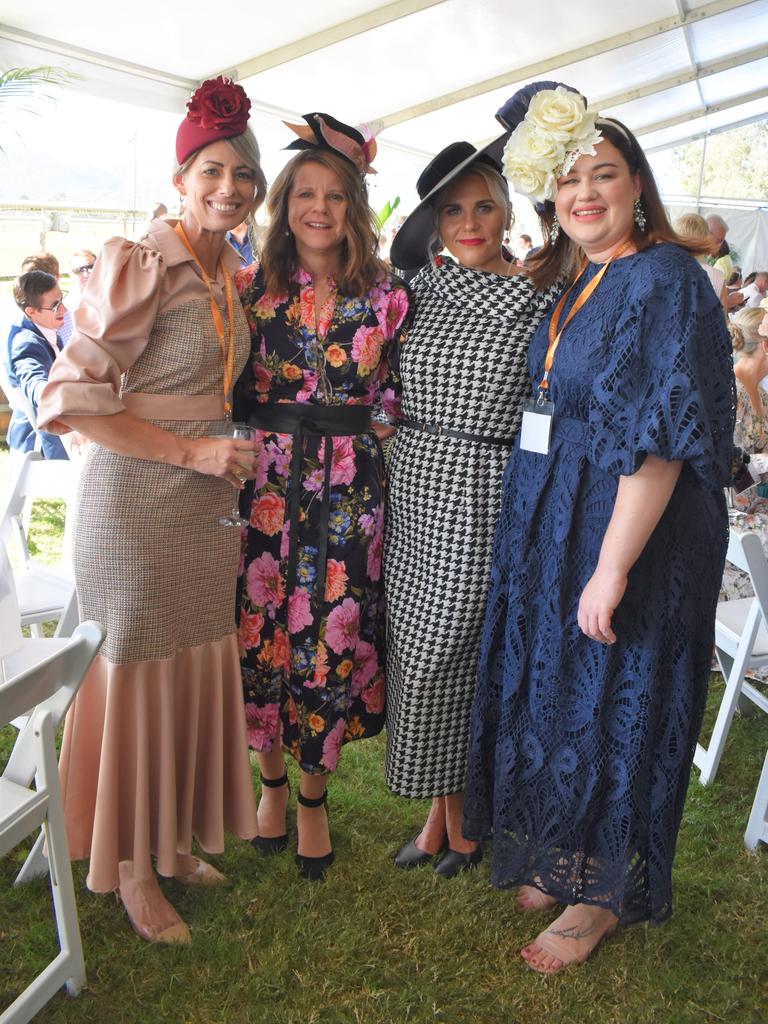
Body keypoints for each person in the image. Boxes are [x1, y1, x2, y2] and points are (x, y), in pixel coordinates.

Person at [463, 84, 734, 972]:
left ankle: (600, 896)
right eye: (569, 179)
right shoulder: (589, 271)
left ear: (638, 186)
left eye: (604, 176)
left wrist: (611, 567)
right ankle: (564, 852)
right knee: (564, 692)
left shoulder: (661, 276)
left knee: (620, 698)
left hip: (632, 528)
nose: (585, 193)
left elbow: (659, 441)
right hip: (566, 515)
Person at [37, 76, 268, 944]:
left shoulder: (228, 268)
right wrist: (191, 451)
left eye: (243, 175)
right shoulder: (139, 262)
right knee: (136, 670)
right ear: (180, 178)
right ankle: (129, 871)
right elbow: (73, 399)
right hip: (135, 502)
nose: (229, 188)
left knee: (186, 665)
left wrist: (217, 451)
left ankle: (169, 841)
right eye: (212, 170)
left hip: (203, 502)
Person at [384, 112, 561, 878]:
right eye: (453, 210)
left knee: (450, 650)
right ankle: (445, 818)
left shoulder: (535, 301)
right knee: (418, 650)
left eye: (484, 205)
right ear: (434, 222)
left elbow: (549, 405)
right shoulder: (411, 292)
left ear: (508, 212)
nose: (469, 223)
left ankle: (458, 824)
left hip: (489, 485)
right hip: (412, 483)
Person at [235, 112, 409, 880]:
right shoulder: (249, 291)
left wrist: (376, 441)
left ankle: (312, 799)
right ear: (284, 202)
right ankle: (269, 784)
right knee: (262, 630)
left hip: (349, 489)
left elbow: (398, 396)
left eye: (335, 195)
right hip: (266, 483)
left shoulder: (388, 296)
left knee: (328, 639)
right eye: (304, 192)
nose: (318, 208)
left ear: (354, 206)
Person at [5, 270, 68, 459]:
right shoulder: (26, 343)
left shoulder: (45, 330)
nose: (64, 309)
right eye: (55, 306)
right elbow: (35, 383)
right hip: (39, 447)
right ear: (31, 312)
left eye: (62, 300)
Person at [673, 212, 726, 311]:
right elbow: (722, 320)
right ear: (705, 238)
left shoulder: (659, 270)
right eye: (719, 240)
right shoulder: (717, 276)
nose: (720, 245)